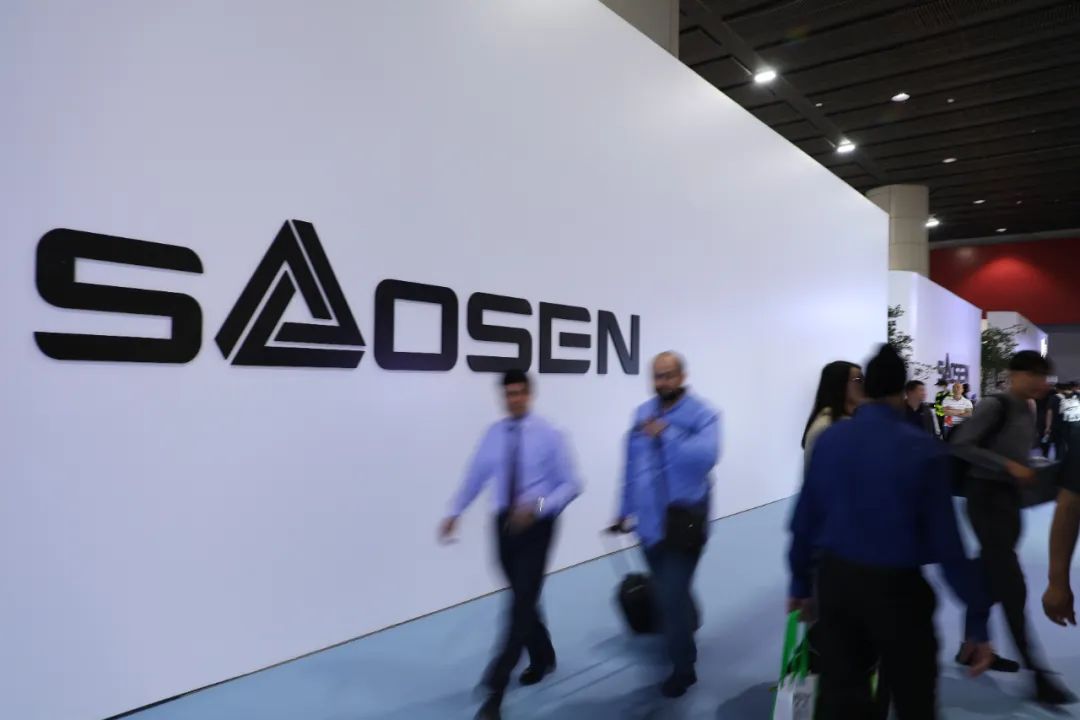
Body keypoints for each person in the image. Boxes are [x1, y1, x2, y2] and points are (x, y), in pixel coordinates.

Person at [788, 344, 994, 719]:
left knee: (841, 696)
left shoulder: (832, 439)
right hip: (897, 593)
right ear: (902, 390)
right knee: (913, 697)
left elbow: (805, 520)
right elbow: (948, 545)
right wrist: (977, 619)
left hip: (837, 586)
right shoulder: (923, 450)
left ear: (867, 388)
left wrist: (800, 584)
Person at [439, 370, 582, 720]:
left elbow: (571, 484)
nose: (514, 399)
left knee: (518, 608)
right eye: (508, 394)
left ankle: (496, 689)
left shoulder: (550, 434)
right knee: (523, 596)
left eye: (519, 393)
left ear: (530, 395)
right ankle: (543, 655)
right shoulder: (493, 434)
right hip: (503, 526)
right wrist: (455, 511)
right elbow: (475, 475)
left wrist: (537, 507)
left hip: (538, 527)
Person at [951, 351, 1075, 705]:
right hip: (985, 498)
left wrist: (1029, 467)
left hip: (1008, 501)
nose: (1039, 382)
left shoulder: (1030, 407)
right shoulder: (995, 405)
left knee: (990, 576)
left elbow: (1017, 452)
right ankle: (1037, 672)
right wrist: (1008, 466)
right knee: (1011, 586)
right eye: (1032, 374)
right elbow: (961, 445)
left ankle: (971, 645)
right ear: (1013, 374)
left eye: (1043, 375)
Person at [611, 352, 720, 698]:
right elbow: (631, 466)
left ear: (682, 376)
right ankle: (687, 623)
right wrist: (623, 510)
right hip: (649, 526)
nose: (663, 382)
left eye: (669, 375)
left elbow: (706, 457)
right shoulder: (641, 414)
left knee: (670, 596)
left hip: (683, 526)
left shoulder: (703, 414)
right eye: (658, 376)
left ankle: (683, 668)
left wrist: (668, 433)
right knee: (668, 590)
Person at [802, 361, 864, 462]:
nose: (865, 385)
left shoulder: (844, 422)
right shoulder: (826, 427)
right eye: (858, 380)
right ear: (839, 384)